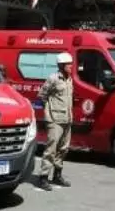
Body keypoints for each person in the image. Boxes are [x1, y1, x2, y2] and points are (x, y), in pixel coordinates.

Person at [36, 52, 73, 191]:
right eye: (69, 64)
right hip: (54, 120)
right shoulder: (53, 78)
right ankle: (43, 177)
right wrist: (49, 111)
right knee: (51, 149)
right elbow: (42, 95)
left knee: (63, 149)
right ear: (62, 65)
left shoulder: (70, 79)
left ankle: (57, 175)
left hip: (67, 119)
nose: (71, 66)